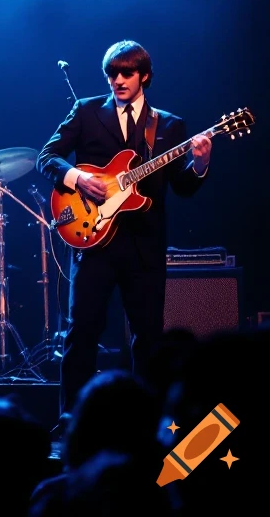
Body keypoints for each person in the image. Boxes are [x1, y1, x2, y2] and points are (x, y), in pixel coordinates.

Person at [36, 40, 211, 429]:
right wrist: (78, 177)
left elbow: (181, 186)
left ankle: (148, 422)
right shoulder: (86, 111)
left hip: (143, 245)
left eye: (125, 73)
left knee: (148, 337)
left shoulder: (168, 125)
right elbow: (45, 157)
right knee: (82, 333)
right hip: (93, 240)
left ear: (144, 76)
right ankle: (70, 419)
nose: (117, 80)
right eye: (111, 74)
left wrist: (200, 163)